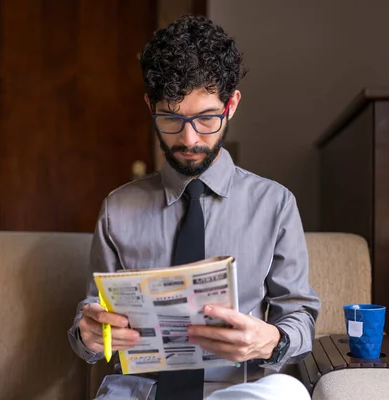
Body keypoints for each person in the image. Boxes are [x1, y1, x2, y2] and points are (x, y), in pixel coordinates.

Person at [68, 14, 320, 400]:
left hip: (238, 390)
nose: (189, 139)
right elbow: (91, 318)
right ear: (150, 105)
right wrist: (89, 335)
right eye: (171, 118)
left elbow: (299, 317)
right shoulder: (117, 209)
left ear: (231, 104)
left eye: (205, 118)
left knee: (287, 393)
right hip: (140, 391)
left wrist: (272, 340)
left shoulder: (275, 204)